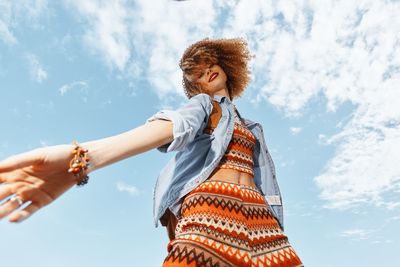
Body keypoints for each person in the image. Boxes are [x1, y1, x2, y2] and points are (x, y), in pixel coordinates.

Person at [0, 38, 303, 267]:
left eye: (208, 63)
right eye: (195, 73)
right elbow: (174, 125)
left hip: (266, 228)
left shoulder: (253, 128)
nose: (205, 72)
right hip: (210, 216)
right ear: (193, 86)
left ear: (225, 65)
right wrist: (84, 157)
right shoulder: (204, 105)